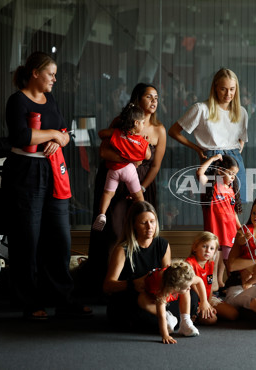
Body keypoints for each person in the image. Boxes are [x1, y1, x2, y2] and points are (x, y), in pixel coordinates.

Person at [3, 51, 89, 320]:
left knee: (60, 239)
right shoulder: (17, 101)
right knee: (27, 240)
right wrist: (52, 134)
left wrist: (58, 138)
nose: (54, 78)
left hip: (53, 171)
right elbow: (22, 135)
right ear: (35, 73)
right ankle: (29, 301)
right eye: (50, 74)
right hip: (25, 172)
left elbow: (65, 132)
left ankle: (63, 298)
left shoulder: (49, 99)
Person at [85, 83, 167, 295]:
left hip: (142, 186)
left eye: (156, 97)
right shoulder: (120, 124)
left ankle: (142, 280)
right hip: (115, 179)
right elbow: (104, 152)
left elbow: (156, 165)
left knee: (142, 232)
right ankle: (111, 284)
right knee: (113, 232)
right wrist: (130, 160)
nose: (154, 101)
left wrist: (141, 187)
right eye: (149, 97)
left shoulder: (159, 130)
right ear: (137, 100)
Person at [102, 201, 199, 331]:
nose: (149, 227)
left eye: (152, 221)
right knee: (140, 312)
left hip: (156, 295)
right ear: (134, 225)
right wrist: (133, 283)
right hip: (133, 298)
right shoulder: (122, 249)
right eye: (143, 223)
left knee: (191, 295)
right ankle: (172, 319)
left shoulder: (162, 244)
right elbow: (107, 286)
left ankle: (173, 319)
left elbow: (170, 277)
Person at [168, 68, 249, 200]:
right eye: (224, 89)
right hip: (212, 159)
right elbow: (173, 131)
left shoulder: (242, 112)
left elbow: (242, 139)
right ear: (215, 87)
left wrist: (236, 152)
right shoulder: (201, 109)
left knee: (236, 205)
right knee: (212, 205)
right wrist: (197, 149)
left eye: (232, 89)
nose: (228, 93)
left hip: (234, 160)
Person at [92, 103, 152, 231]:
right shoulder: (140, 141)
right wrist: (144, 141)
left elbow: (101, 133)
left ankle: (102, 214)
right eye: (142, 123)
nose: (143, 125)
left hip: (113, 170)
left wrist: (116, 132)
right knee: (138, 196)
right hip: (129, 170)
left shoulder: (117, 133)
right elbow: (147, 155)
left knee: (107, 194)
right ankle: (143, 216)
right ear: (136, 123)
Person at [197, 153, 242, 291]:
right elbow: (200, 173)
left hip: (229, 230)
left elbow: (233, 212)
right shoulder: (211, 184)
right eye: (230, 173)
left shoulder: (231, 189)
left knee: (226, 257)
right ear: (220, 170)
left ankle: (222, 281)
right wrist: (212, 159)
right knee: (214, 255)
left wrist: (240, 228)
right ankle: (214, 283)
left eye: (234, 175)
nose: (233, 177)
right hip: (215, 228)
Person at [139, 261, 200, 343]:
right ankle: (169, 317)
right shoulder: (162, 292)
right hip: (150, 296)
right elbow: (161, 316)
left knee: (188, 291)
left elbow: (199, 281)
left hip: (169, 286)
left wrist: (204, 302)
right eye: (186, 287)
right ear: (175, 288)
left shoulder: (181, 279)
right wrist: (165, 335)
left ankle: (185, 322)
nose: (190, 288)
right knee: (141, 300)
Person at [185, 232, 239, 323]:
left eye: (212, 248)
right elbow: (193, 289)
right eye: (204, 246)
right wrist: (204, 303)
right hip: (194, 300)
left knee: (233, 314)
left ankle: (207, 312)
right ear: (195, 248)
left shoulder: (210, 264)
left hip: (208, 298)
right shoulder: (189, 263)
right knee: (212, 320)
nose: (208, 251)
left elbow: (209, 286)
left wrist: (209, 304)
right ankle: (194, 315)